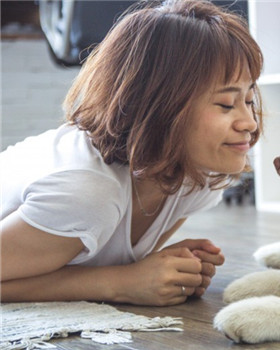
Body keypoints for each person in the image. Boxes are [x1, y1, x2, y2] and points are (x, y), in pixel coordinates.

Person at [0, 0, 263, 306]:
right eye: (226, 105)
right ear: (159, 108)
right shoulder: (86, 192)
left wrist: (164, 269)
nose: (250, 122)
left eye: (249, 100)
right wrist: (120, 283)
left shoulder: (196, 177)